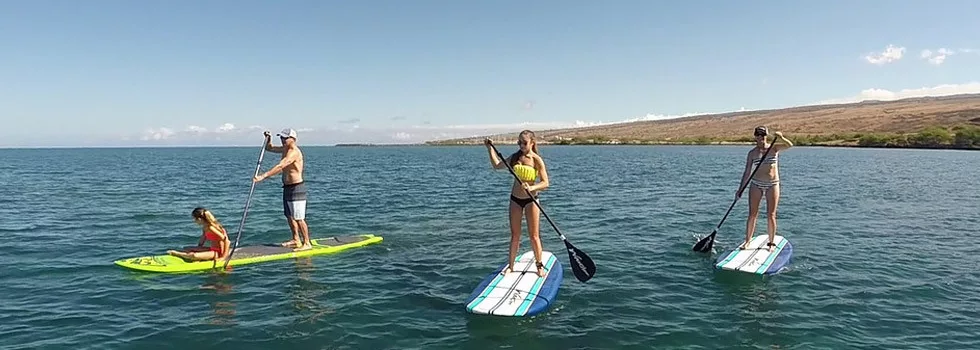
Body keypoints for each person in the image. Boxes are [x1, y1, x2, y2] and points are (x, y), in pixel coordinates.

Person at [484, 130, 550, 277]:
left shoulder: (536, 160)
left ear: (532, 143)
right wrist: (489, 149)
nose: (521, 145)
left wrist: (532, 187)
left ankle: (539, 266)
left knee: (534, 236)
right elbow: (497, 166)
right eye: (519, 142)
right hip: (515, 200)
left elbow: (546, 183)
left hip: (531, 200)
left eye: (524, 143)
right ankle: (511, 266)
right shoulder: (514, 157)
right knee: (515, 235)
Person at [736, 126, 793, 252]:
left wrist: (781, 137)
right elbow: (747, 172)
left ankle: (771, 243)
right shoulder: (752, 153)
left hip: (773, 184)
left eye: (763, 135)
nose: (761, 138)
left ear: (766, 136)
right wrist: (740, 190)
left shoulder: (774, 148)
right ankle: (747, 242)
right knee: (752, 214)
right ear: (755, 136)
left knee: (771, 214)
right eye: (758, 135)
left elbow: (790, 145)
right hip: (756, 184)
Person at [253, 128, 311, 251]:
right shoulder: (284, 149)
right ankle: (296, 239)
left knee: (299, 217)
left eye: (285, 138)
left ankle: (307, 242)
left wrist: (263, 176)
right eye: (281, 137)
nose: (283, 140)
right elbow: (269, 148)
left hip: (297, 188)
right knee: (289, 216)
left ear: (293, 139)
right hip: (287, 187)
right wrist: (268, 139)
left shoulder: (294, 152)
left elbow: (281, 166)